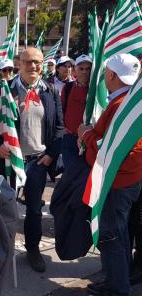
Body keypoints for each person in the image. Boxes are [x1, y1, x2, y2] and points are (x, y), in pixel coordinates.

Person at [0, 47, 63, 272]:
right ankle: (2, 250)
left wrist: (51, 154)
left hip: (38, 162)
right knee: (6, 208)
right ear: (19, 63)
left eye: (37, 62)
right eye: (28, 62)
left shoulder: (50, 91)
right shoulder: (5, 90)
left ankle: (32, 249)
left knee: (35, 210)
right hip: (10, 161)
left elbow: (59, 126)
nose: (33, 66)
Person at [79, 53, 142, 296]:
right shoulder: (130, 101)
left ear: (111, 75)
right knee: (120, 232)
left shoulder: (121, 105)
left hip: (115, 182)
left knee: (111, 234)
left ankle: (117, 288)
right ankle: (118, 277)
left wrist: (85, 134)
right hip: (127, 180)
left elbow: (109, 149)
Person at [61, 54, 92, 169]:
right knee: (70, 173)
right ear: (75, 70)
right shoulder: (67, 88)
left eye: (88, 69)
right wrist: (63, 127)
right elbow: (61, 109)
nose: (84, 72)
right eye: (81, 69)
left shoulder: (96, 91)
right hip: (70, 138)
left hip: (89, 140)